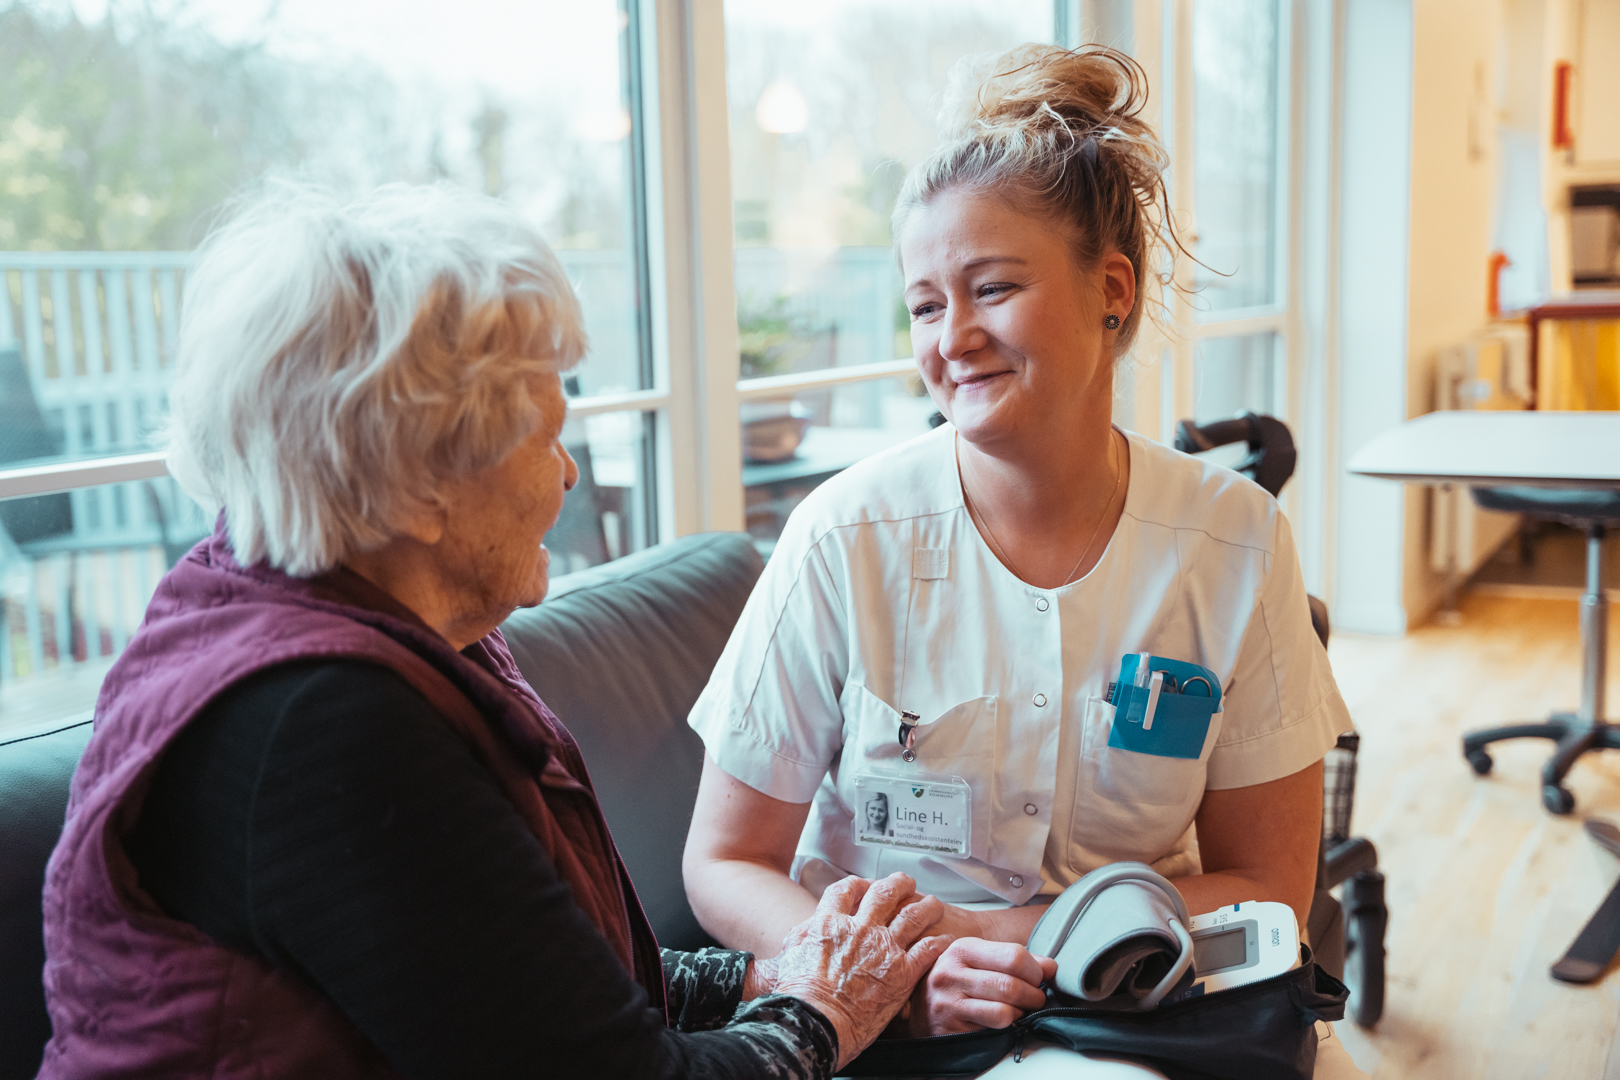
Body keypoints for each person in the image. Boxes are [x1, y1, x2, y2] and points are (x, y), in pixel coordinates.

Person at [36, 182, 949, 1080]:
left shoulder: (376, 627)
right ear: (419, 481)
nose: (566, 477)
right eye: (545, 436)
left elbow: (523, 994)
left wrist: (769, 975)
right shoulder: (325, 725)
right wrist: (823, 1012)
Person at [682, 45, 1365, 1077]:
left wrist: (1040, 936)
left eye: (991, 287)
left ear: (1114, 293)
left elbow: (1270, 879)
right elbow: (726, 861)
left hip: (1147, 1000)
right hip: (894, 1018)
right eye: (922, 305)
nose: (951, 337)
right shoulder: (843, 540)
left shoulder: (1233, 543)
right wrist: (895, 972)